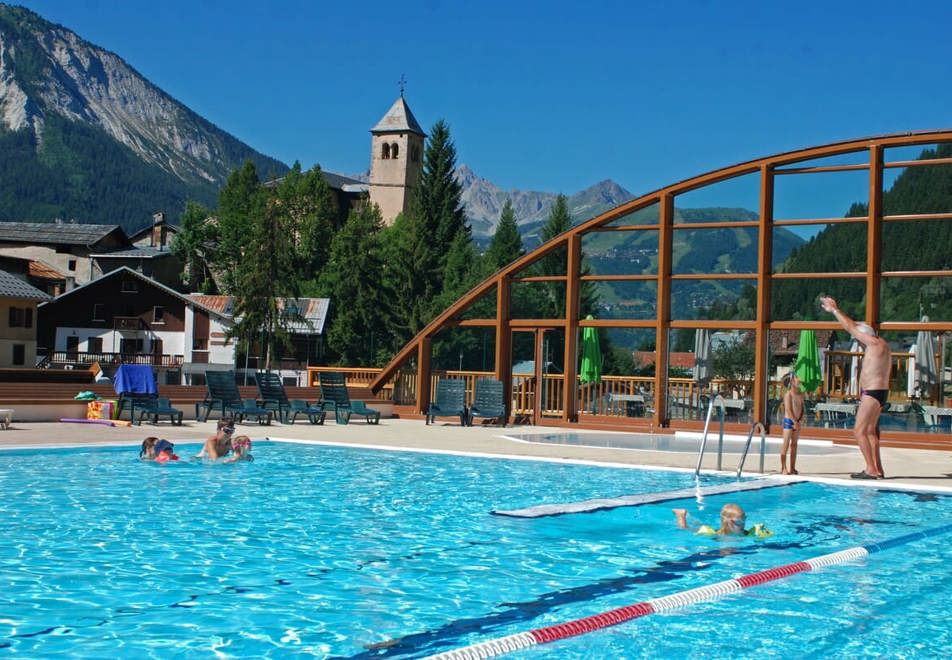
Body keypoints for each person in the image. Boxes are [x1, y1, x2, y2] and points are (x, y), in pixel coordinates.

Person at [819, 296, 891, 479]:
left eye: (859, 340)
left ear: (865, 336)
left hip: (872, 393)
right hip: (880, 392)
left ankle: (871, 469)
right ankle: (878, 468)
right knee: (870, 431)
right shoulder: (883, 345)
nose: (858, 343)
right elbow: (855, 327)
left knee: (858, 431)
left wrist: (834, 309)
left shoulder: (873, 344)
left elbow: (850, 327)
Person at [672, 503, 772, 538]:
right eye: (738, 522)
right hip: (715, 533)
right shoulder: (716, 535)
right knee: (686, 529)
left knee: (699, 525)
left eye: (744, 520)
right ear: (727, 522)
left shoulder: (747, 533)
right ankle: (681, 515)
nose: (743, 525)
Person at [780, 372, 805, 475]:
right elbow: (789, 410)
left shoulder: (801, 394)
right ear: (792, 381)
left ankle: (792, 467)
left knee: (794, 445)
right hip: (789, 422)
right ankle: (783, 468)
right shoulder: (788, 394)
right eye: (797, 378)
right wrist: (794, 422)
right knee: (786, 445)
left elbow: (802, 408)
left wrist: (800, 420)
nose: (799, 380)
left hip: (797, 422)